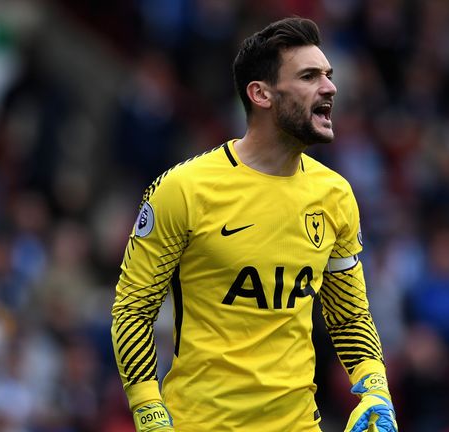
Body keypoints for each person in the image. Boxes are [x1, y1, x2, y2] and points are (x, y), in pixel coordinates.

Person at [110, 17, 398, 432]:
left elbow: (349, 315)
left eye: (328, 76)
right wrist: (149, 410)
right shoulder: (184, 190)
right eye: (309, 76)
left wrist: (375, 389)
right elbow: (133, 310)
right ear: (261, 94)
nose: (330, 87)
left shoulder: (335, 196)